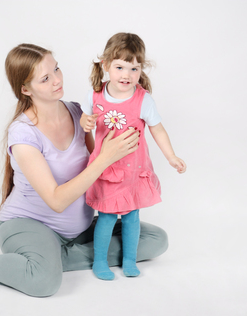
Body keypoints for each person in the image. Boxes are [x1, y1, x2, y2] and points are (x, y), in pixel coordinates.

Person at [0, 43, 168, 297]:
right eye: (45, 78)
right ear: (25, 89)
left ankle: (52, 258)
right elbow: (57, 200)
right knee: (44, 282)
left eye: (56, 69)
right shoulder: (23, 134)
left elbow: (102, 159)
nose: (56, 80)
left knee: (155, 240)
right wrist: (105, 159)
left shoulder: (78, 112)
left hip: (79, 230)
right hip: (30, 225)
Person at [80, 33, 186, 281]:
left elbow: (157, 129)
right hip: (106, 169)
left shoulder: (143, 100)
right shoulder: (94, 96)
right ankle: (99, 261)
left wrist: (171, 156)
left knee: (131, 216)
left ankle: (129, 259)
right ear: (105, 65)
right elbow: (85, 119)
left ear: (141, 69)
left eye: (133, 68)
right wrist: (86, 122)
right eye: (119, 67)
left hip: (132, 170)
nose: (126, 75)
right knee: (106, 216)